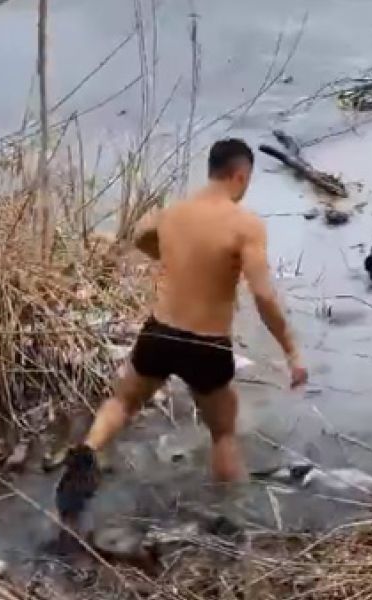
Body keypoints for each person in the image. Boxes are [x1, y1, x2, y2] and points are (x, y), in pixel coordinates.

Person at [56, 138, 308, 520]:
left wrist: (172, 257)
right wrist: (291, 350)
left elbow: (140, 235)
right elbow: (262, 294)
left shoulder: (173, 213)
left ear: (211, 171)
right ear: (241, 176)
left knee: (123, 402)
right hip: (207, 345)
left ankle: (88, 451)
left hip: (160, 333)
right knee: (223, 434)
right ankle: (232, 518)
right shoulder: (246, 225)